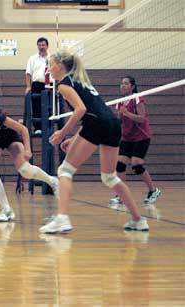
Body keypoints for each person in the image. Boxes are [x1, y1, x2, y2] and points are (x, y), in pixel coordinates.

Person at [39, 50, 149, 234]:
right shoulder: (81, 81)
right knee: (109, 177)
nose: (49, 69)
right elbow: (93, 113)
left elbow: (81, 110)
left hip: (98, 124)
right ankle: (138, 220)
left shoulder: (64, 84)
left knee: (65, 170)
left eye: (50, 64)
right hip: (113, 124)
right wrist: (75, 138)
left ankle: (62, 219)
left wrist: (62, 133)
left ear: (59, 66)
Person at [108, 76, 161, 209]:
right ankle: (122, 195)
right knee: (120, 165)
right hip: (127, 137)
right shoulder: (120, 102)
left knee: (136, 165)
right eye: (121, 84)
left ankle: (153, 191)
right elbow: (120, 120)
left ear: (132, 86)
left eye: (126, 84)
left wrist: (126, 113)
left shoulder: (137, 98)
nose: (123, 86)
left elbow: (142, 119)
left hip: (141, 137)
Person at [25, 37, 51, 134]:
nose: (41, 47)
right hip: (36, 85)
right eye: (39, 45)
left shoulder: (52, 58)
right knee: (36, 107)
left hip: (49, 85)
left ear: (47, 46)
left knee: (49, 106)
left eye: (43, 45)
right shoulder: (32, 58)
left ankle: (48, 127)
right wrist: (28, 86)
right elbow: (28, 73)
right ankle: (37, 128)